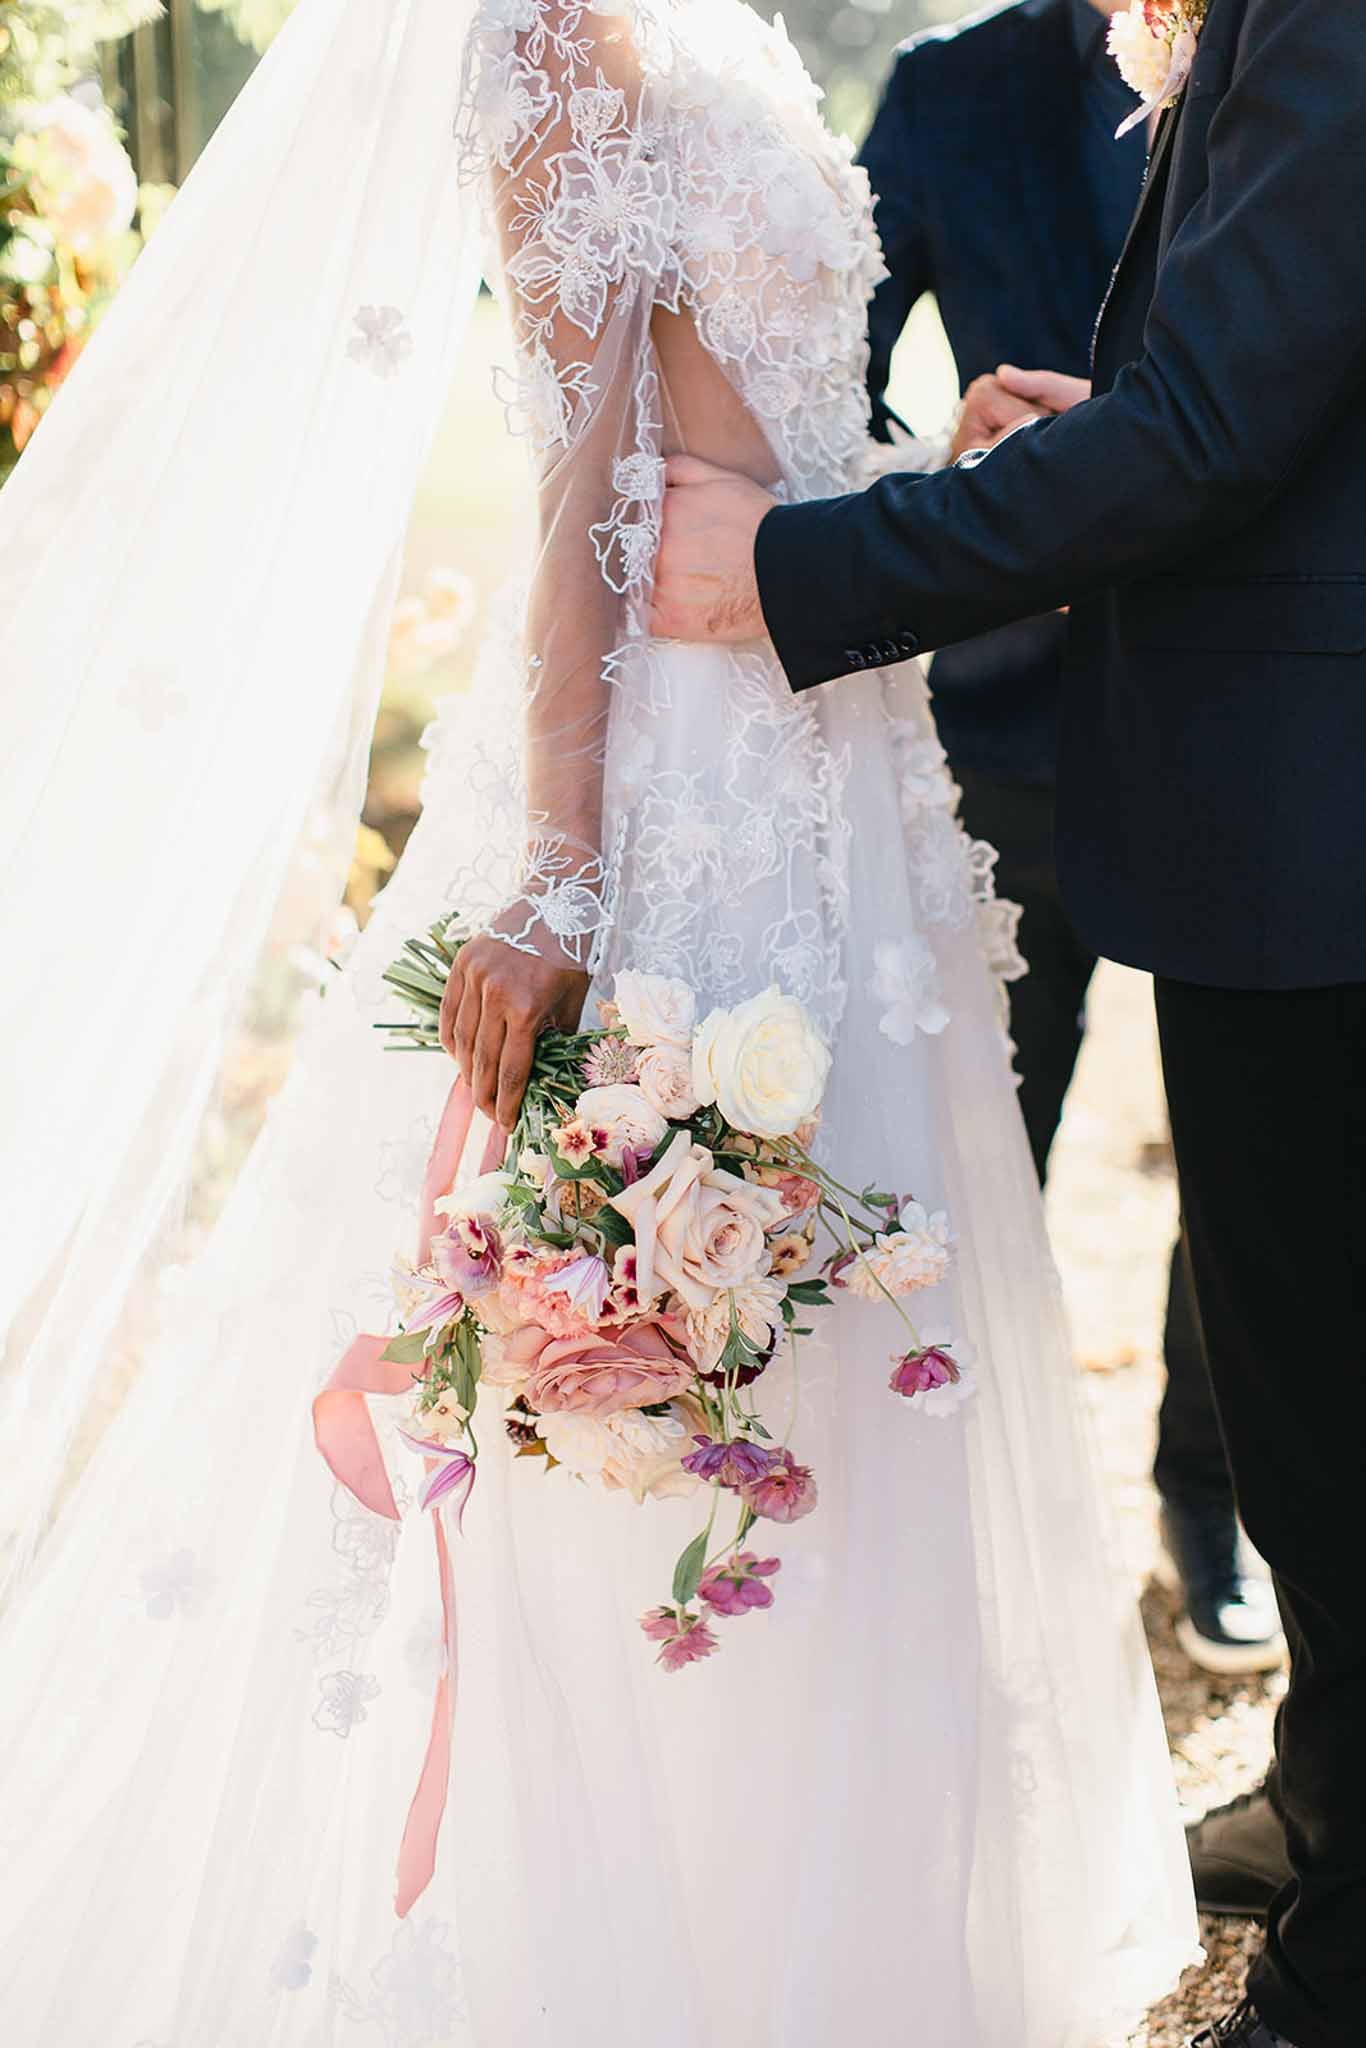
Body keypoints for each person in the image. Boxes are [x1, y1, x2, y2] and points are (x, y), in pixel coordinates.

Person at [0, 0, 1197, 2039]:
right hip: (681, 820)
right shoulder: (546, 31)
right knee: (657, 1388)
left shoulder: (717, 34)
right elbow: (581, 479)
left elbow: (756, 447)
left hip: (845, 794)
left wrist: (935, 467)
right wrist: (559, 871)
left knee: (852, 1373)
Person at [651, 0, 1366, 2042]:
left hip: (1311, 818)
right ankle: (1320, 1800)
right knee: (1296, 1358)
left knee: (1316, 1427)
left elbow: (1216, 429)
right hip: (1260, 798)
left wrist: (807, 572)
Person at [859, 0, 1282, 1678]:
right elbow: (813, 396)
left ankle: (1215, 1502)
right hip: (1010, 713)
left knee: (1252, 1159)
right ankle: (946, 1522)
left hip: (1256, 711)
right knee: (979, 1131)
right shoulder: (947, 85)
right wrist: (954, 467)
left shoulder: (1295, 51)